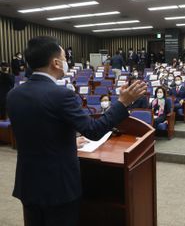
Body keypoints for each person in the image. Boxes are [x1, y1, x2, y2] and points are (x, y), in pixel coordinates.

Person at [6, 36, 147, 226]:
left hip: (28, 183)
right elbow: (93, 131)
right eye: (65, 58)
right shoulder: (61, 94)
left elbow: (35, 131)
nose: (66, 62)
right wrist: (123, 103)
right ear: (56, 63)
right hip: (58, 186)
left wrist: (66, 141)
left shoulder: (14, 94)